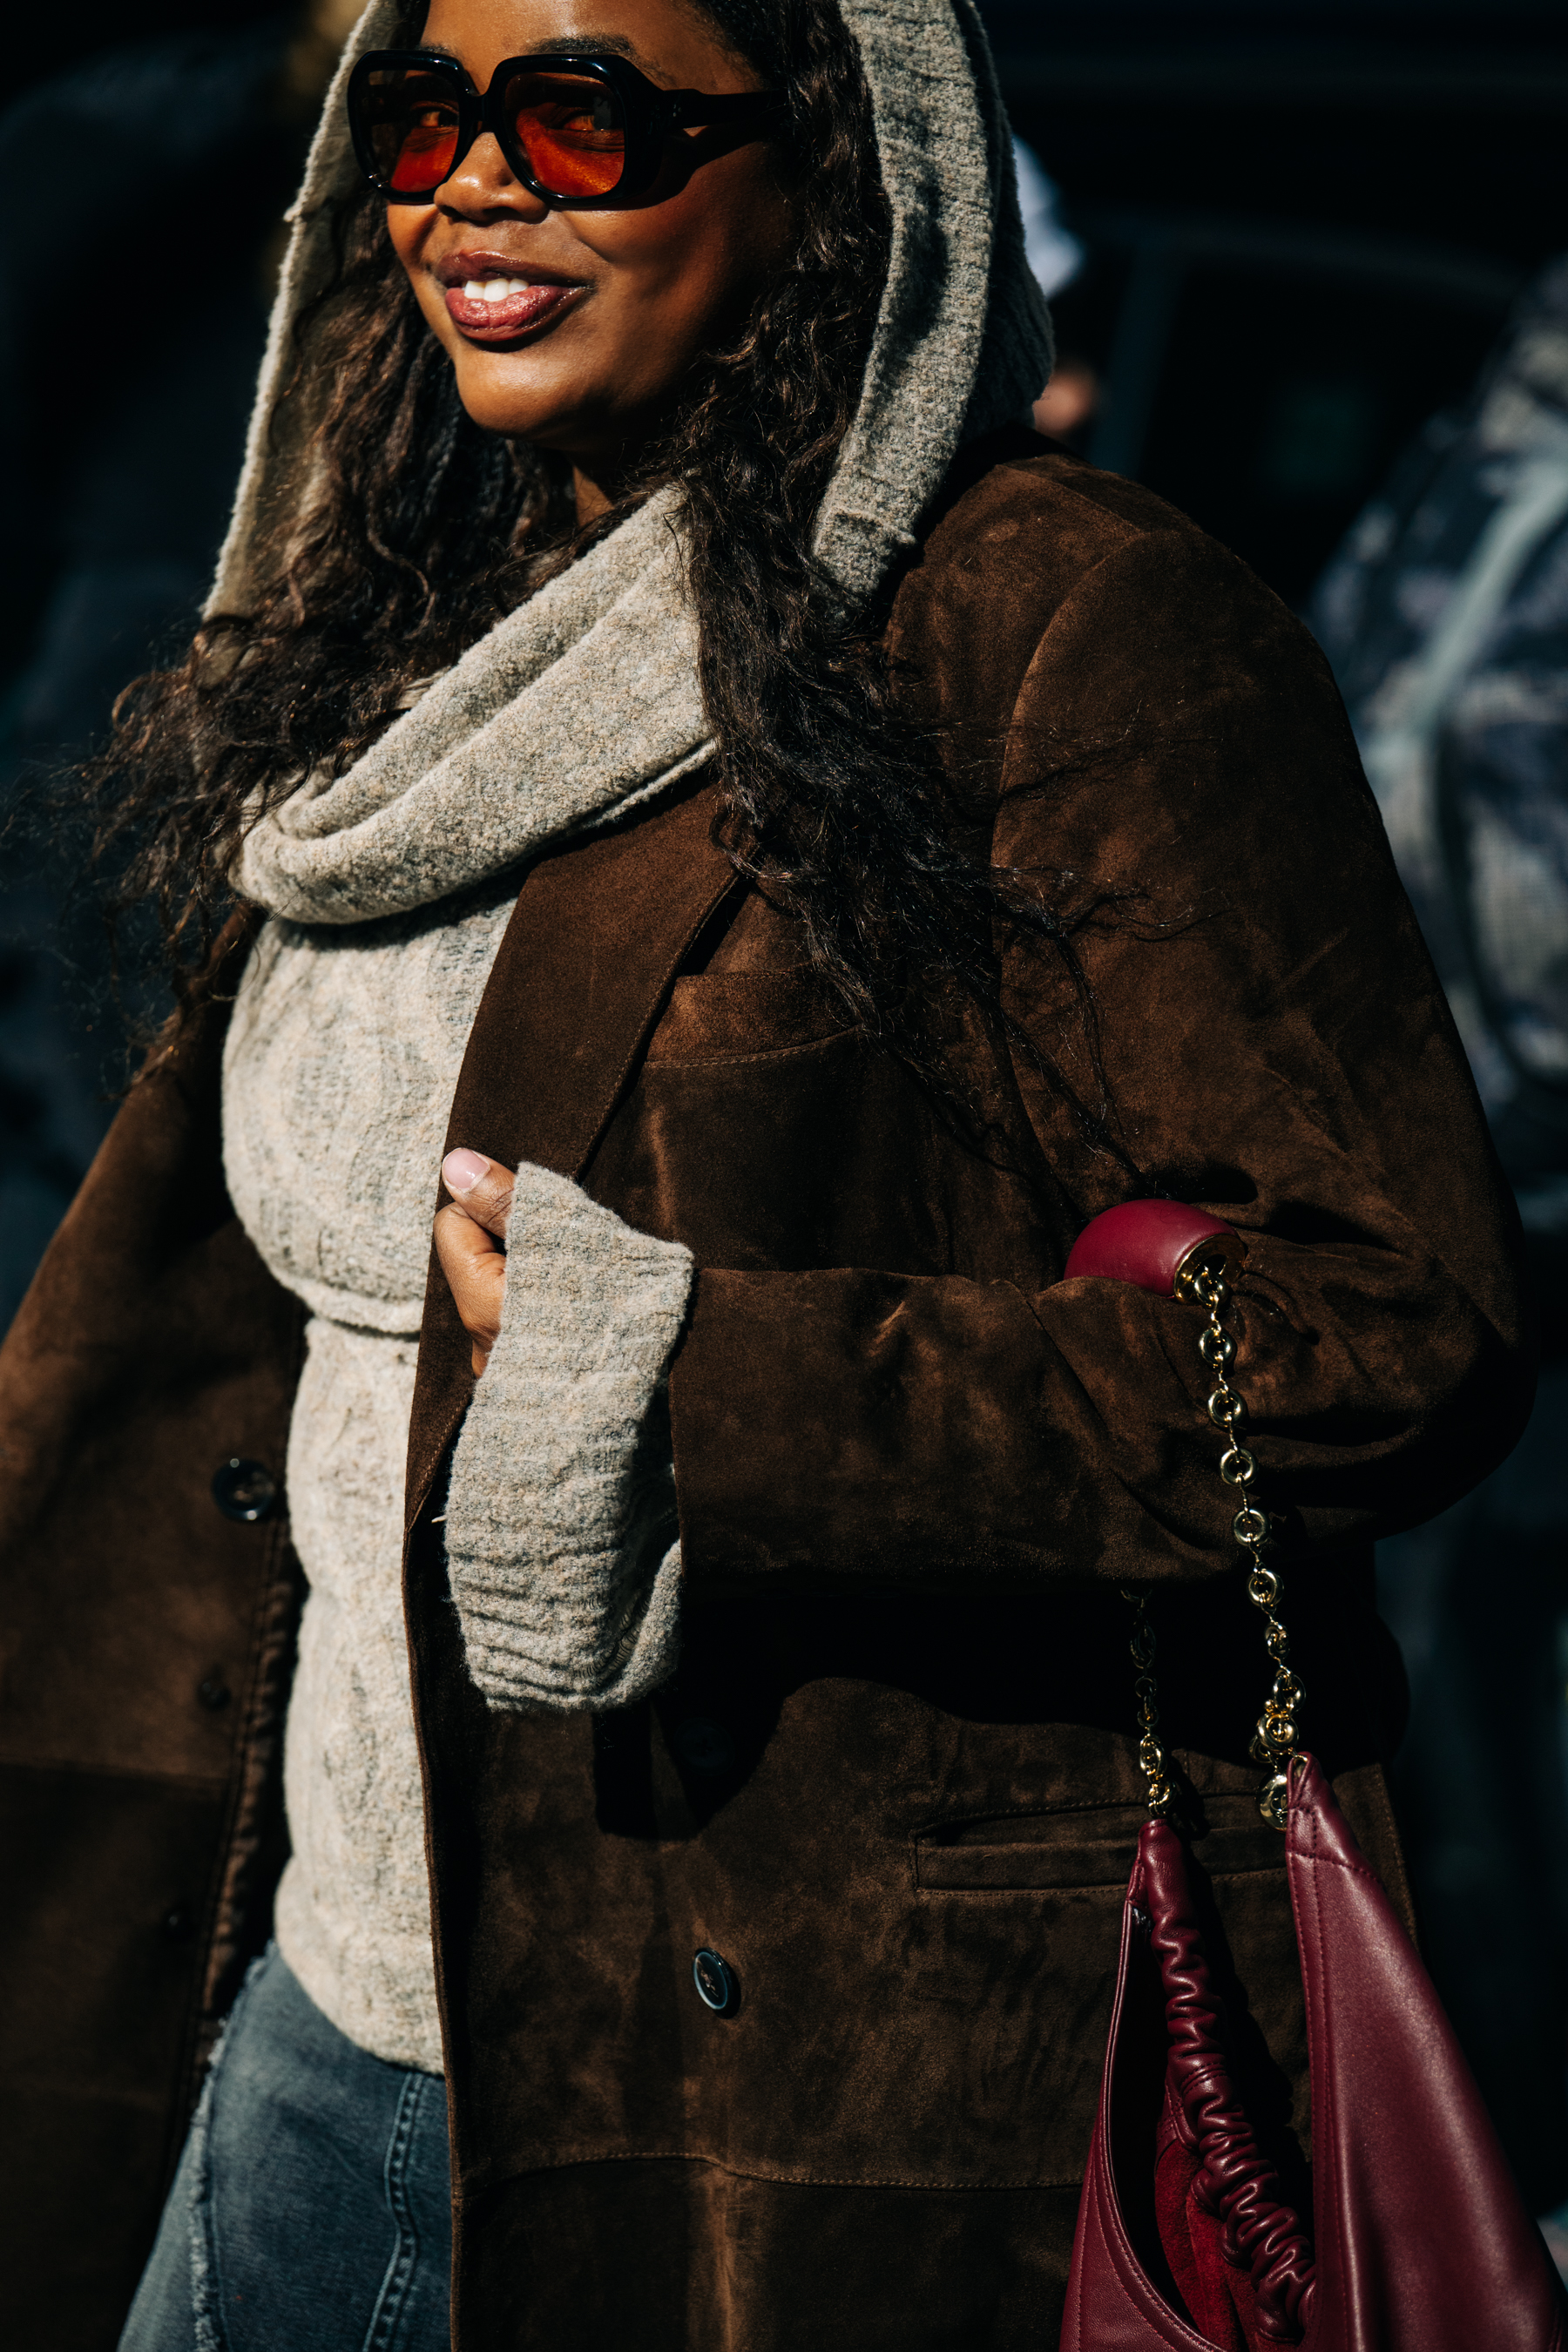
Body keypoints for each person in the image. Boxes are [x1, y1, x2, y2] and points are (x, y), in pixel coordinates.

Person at [0, 2, 1532, 2347]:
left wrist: (700, 1379)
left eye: (580, 111)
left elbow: (1387, 1330)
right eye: (421, 113)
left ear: (832, 164)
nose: (475, 181)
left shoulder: (1059, 626)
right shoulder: (403, 631)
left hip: (772, 2095)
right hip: (320, 1998)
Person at [1308, 254, 1568, 2222]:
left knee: (1477, 1737)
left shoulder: (1488, 474)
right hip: (1448, 1200)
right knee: (1447, 1730)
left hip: (1487, 1203)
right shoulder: (1501, 474)